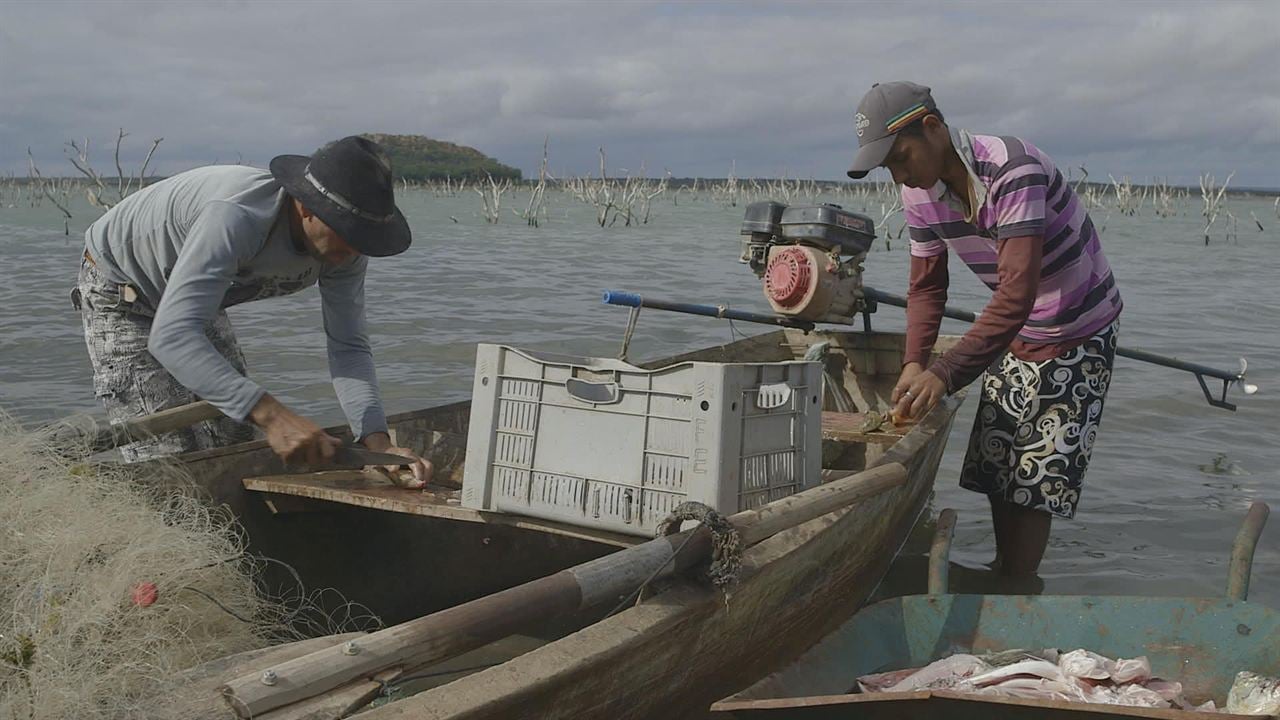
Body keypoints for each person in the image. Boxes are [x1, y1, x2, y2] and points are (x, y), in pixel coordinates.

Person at [847, 81, 1123, 575]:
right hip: (1009, 326)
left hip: (1077, 324)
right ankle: (1003, 570)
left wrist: (945, 372)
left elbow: (1018, 291)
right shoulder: (919, 194)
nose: (899, 176)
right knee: (1000, 461)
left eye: (901, 158)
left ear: (932, 129)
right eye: (888, 167)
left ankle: (1018, 584)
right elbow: (928, 287)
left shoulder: (1013, 169)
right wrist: (916, 362)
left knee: (1036, 474)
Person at [74, 135, 432, 487]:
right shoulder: (238, 216)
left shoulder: (347, 249)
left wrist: (376, 439)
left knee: (235, 444)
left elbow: (349, 346)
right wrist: (275, 416)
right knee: (167, 469)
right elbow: (172, 337)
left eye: (364, 237)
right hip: (123, 288)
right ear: (306, 206)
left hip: (199, 292)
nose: (354, 250)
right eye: (347, 233)